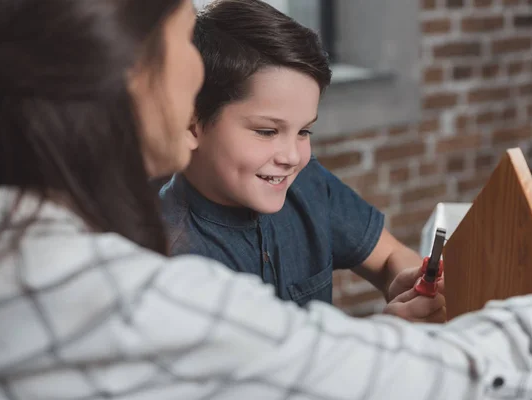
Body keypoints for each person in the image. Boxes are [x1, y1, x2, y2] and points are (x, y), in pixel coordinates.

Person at [0, 0, 532, 399]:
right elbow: (366, 375)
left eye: (304, 131)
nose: (292, 153)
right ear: (133, 77)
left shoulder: (6, 231)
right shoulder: (137, 281)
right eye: (182, 43)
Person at [158, 0, 437, 321]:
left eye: (304, 131)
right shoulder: (173, 261)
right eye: (266, 131)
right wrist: (390, 332)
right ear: (191, 124)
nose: (292, 157)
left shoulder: (307, 183)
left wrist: (410, 283)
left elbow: (390, 256)